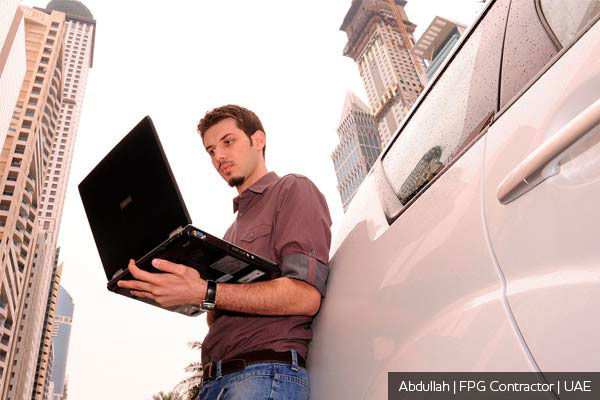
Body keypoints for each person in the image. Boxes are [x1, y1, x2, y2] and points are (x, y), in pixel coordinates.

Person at [117, 105, 332, 399]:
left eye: (228, 142)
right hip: (215, 383)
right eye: (210, 151)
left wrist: (205, 292)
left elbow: (304, 295)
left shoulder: (293, 189)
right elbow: (216, 314)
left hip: (263, 376)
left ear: (258, 140)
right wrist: (189, 287)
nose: (218, 157)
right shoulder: (229, 234)